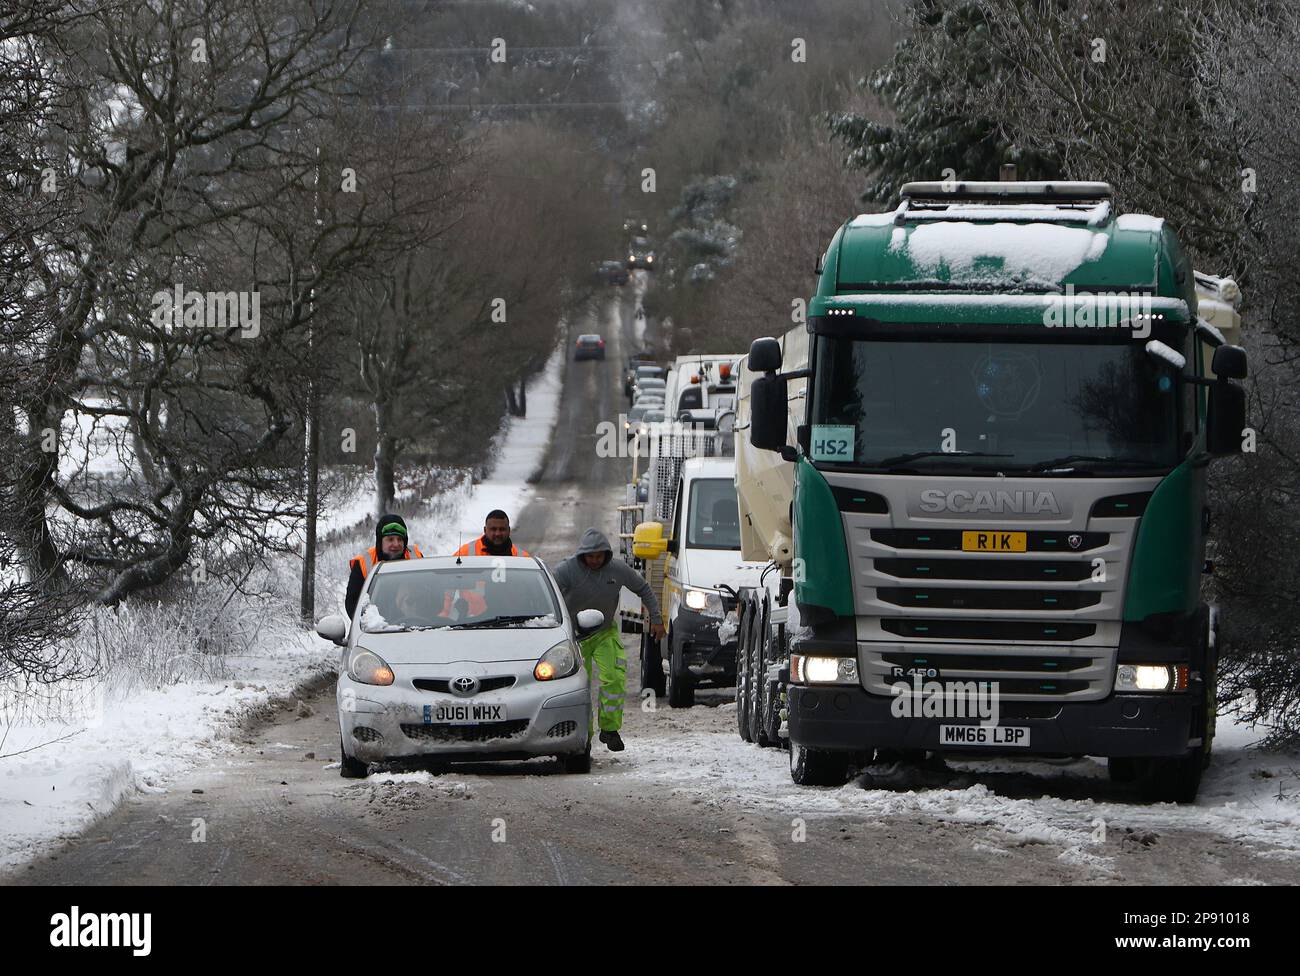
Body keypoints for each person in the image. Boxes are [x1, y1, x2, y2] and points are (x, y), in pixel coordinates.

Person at [553, 528, 665, 752]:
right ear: (582, 554)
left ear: (606, 554)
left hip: (604, 632)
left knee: (614, 677)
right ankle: (583, 736)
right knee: (578, 686)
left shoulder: (617, 570)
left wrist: (656, 618)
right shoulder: (567, 570)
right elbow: (548, 591)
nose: (595, 561)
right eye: (590, 556)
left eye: (599, 556)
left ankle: (610, 729)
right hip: (574, 637)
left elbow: (643, 588)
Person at [345, 514, 422, 619]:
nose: (396, 544)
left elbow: (427, 595)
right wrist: (370, 625)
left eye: (400, 539)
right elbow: (352, 605)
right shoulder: (363, 562)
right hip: (375, 629)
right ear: (380, 542)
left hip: (415, 625)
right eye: (390, 539)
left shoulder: (415, 556)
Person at [453, 510, 530, 557]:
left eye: (502, 529)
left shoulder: (523, 558)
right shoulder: (464, 554)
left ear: (509, 530)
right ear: (485, 530)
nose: (497, 533)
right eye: (493, 529)